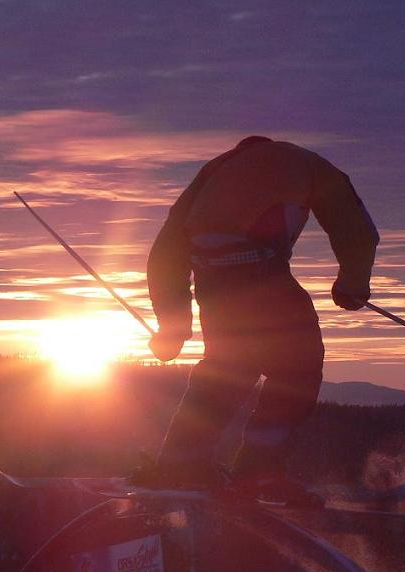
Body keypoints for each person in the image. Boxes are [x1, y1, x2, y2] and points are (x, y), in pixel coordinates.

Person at [135, 135, 379, 503]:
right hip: (260, 273)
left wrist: (172, 325)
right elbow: (357, 228)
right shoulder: (311, 166)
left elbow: (166, 249)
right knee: (297, 369)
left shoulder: (213, 170)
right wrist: (353, 284)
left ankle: (180, 463)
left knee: (227, 370)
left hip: (213, 282)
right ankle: (259, 472)